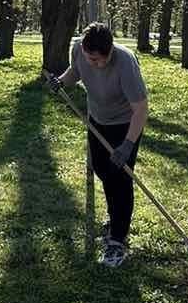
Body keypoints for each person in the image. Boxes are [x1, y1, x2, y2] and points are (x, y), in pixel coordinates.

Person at [49, 21, 149, 268]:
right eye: (91, 59)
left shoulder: (125, 62)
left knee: (121, 178)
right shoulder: (79, 50)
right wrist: (61, 82)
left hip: (126, 124)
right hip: (97, 121)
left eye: (100, 60)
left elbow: (141, 110)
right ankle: (114, 218)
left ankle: (117, 238)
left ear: (111, 50)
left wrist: (127, 145)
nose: (96, 65)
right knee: (104, 172)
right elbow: (76, 72)